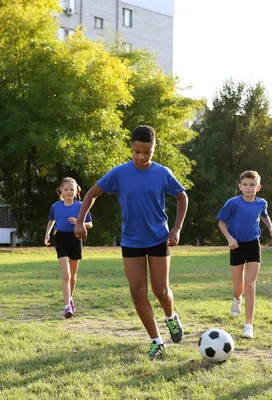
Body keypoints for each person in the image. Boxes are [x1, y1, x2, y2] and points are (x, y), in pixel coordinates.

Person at [74, 125, 188, 360]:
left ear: (154, 149)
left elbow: (181, 196)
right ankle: (156, 341)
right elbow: (91, 193)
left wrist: (176, 229)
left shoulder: (162, 173)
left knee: (160, 290)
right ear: (131, 148)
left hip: (159, 238)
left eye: (147, 152)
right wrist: (80, 220)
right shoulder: (119, 173)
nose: (141, 157)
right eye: (137, 151)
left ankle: (170, 318)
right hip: (132, 240)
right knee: (137, 292)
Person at [217, 170, 272, 340]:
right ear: (240, 187)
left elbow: (264, 216)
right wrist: (229, 238)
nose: (248, 188)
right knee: (239, 288)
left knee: (250, 285)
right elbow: (221, 222)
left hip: (253, 245)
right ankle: (237, 299)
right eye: (245, 185)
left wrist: (270, 228)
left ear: (258, 187)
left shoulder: (261, 203)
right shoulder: (232, 203)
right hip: (236, 245)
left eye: (252, 185)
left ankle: (248, 325)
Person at [45, 177, 93, 319]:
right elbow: (51, 221)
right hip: (61, 239)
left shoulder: (81, 206)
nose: (69, 192)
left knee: (73, 277)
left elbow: (90, 224)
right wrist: (47, 234)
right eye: (66, 189)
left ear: (76, 191)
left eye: (72, 189)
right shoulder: (56, 206)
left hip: (76, 238)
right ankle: (67, 307)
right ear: (61, 191)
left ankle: (70, 298)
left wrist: (80, 222)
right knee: (66, 275)